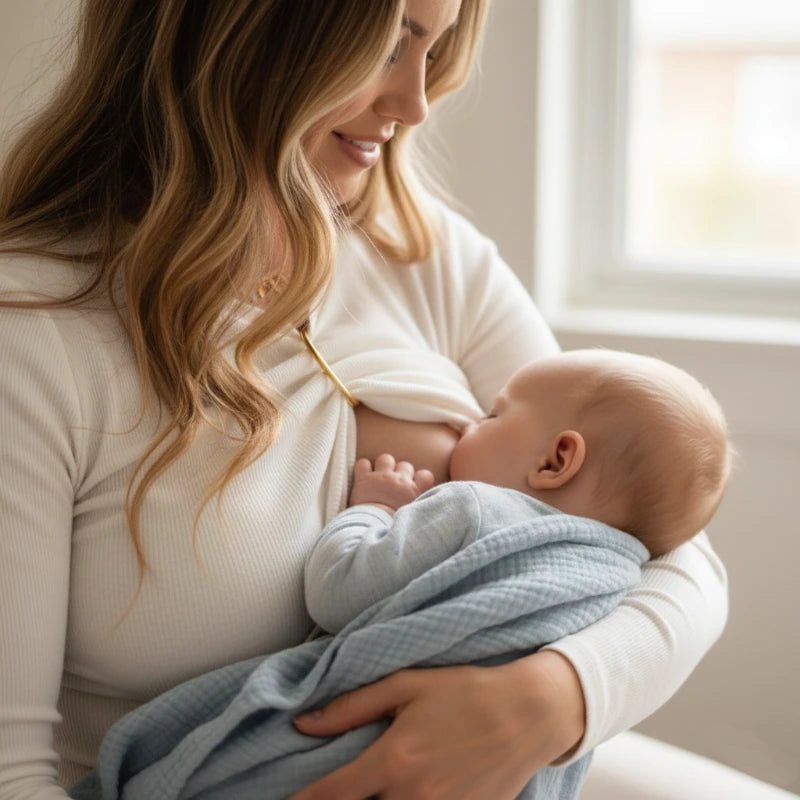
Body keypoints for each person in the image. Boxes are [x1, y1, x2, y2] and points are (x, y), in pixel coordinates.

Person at [0, 1, 728, 798]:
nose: (416, 102)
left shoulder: (424, 252)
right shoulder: (35, 334)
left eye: (435, 50)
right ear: (244, 30)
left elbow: (664, 540)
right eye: (390, 46)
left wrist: (556, 696)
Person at [306, 348, 733, 634]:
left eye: (494, 415)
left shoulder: (470, 512)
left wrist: (377, 509)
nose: (470, 421)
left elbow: (337, 594)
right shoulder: (616, 580)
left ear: (554, 462)